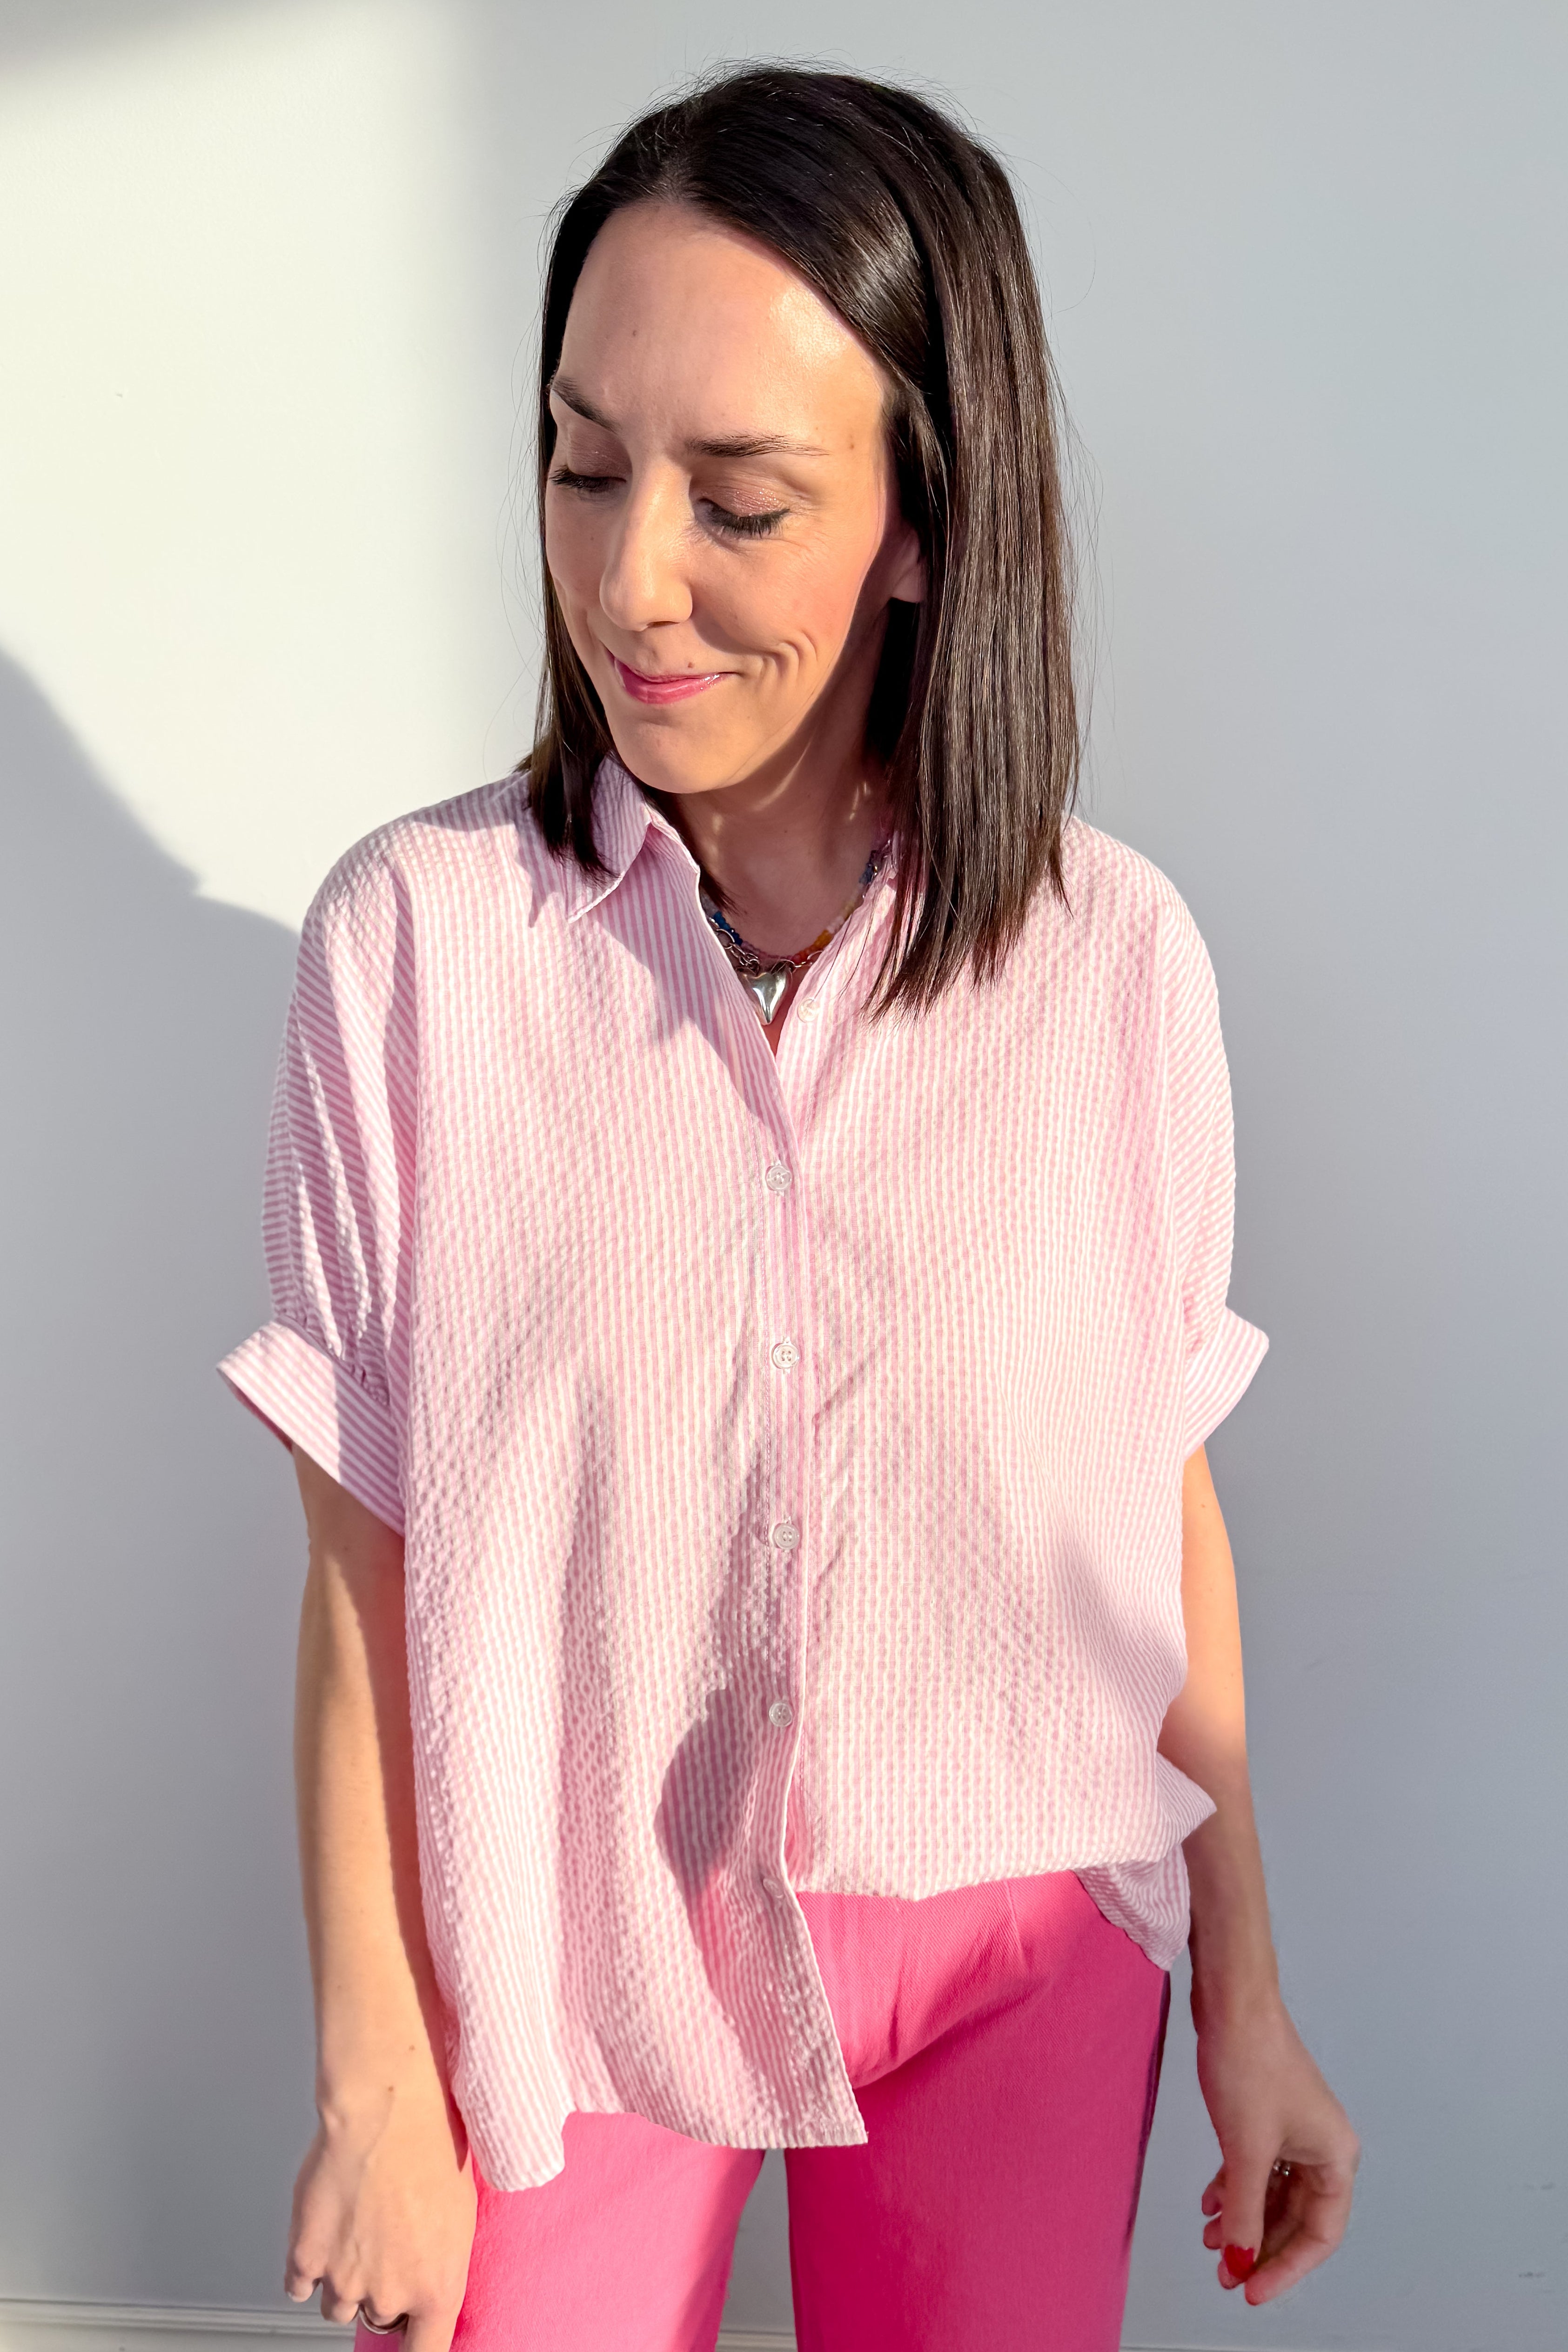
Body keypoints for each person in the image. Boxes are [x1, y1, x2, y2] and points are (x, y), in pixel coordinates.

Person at [218, 63, 1360, 2352]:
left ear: (927, 523)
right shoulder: (415, 950)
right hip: (569, 1961)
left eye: (739, 500)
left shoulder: (1113, 963)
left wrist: (1250, 1996)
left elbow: (1153, 1507)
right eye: (583, 465)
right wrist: (375, 2077)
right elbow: (365, 1565)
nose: (628, 576)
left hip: (1026, 1943)